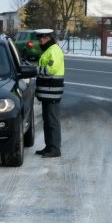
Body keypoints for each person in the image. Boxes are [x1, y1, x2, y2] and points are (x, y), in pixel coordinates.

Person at [34, 28, 65, 158]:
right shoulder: (49, 50)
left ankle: (55, 149)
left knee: (52, 122)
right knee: (47, 121)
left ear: (48, 38)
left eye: (42, 38)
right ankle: (49, 147)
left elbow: (51, 69)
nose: (40, 41)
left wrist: (35, 69)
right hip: (48, 93)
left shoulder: (54, 50)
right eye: (39, 38)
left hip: (52, 93)